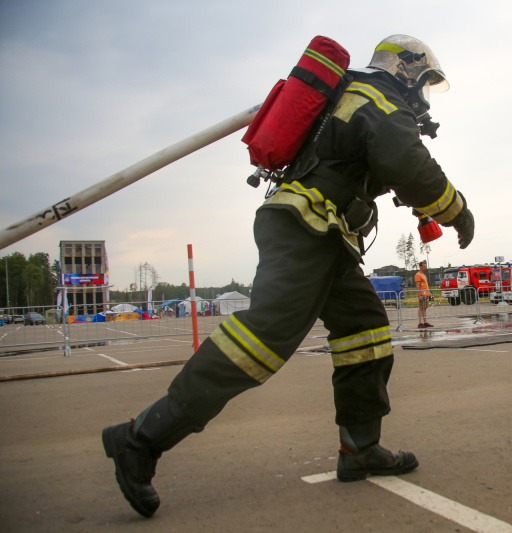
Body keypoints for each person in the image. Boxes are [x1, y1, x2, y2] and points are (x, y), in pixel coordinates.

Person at [102, 34, 475, 518]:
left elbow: (369, 164)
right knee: (260, 341)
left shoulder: (350, 95)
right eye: (422, 83)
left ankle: (360, 447)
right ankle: (140, 438)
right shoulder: (378, 98)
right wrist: (456, 209)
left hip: (322, 232)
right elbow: (407, 162)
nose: (420, 98)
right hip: (308, 227)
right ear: (406, 69)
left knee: (365, 329)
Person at [415, 260, 433, 328]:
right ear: (420, 266)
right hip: (422, 294)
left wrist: (429, 293)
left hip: (426, 293)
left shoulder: (424, 275)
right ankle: (420, 322)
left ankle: (425, 322)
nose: (425, 267)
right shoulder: (418, 275)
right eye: (423, 266)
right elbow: (418, 285)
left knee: (425, 308)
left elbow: (426, 285)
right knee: (421, 307)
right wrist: (419, 295)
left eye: (425, 266)